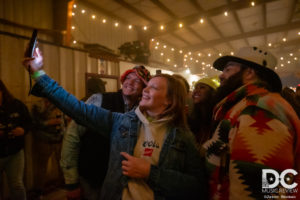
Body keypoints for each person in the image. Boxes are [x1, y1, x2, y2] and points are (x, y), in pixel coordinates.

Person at [23, 48, 207, 200]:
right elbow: (75, 107)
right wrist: (38, 73)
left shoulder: (182, 137)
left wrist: (151, 172)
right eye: (147, 85)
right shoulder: (123, 122)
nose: (145, 90)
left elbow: (197, 187)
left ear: (169, 100)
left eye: (152, 87)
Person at [202, 46, 300, 199]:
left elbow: (258, 191)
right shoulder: (246, 105)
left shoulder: (260, 111)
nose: (221, 76)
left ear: (249, 73)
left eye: (228, 69)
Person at [62, 66, 150, 200]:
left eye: (137, 81)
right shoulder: (99, 100)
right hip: (92, 179)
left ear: (144, 89)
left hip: (121, 183)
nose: (130, 83)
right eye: (128, 78)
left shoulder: (142, 113)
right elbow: (73, 136)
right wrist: (71, 182)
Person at [0, 80, 31, 200]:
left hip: (15, 153)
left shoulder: (16, 105)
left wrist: (23, 130)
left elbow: (29, 122)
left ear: (2, 91)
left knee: (17, 185)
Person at [31, 98, 68, 196]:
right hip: (44, 140)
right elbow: (33, 123)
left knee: (62, 163)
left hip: (59, 139)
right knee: (41, 166)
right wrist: (48, 123)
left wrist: (64, 132)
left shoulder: (60, 102)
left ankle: (63, 184)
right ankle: (38, 190)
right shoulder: (37, 106)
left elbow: (63, 120)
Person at [188, 77, 219, 151]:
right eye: (195, 88)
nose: (196, 91)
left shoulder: (217, 117)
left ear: (212, 93)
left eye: (202, 88)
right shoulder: (194, 116)